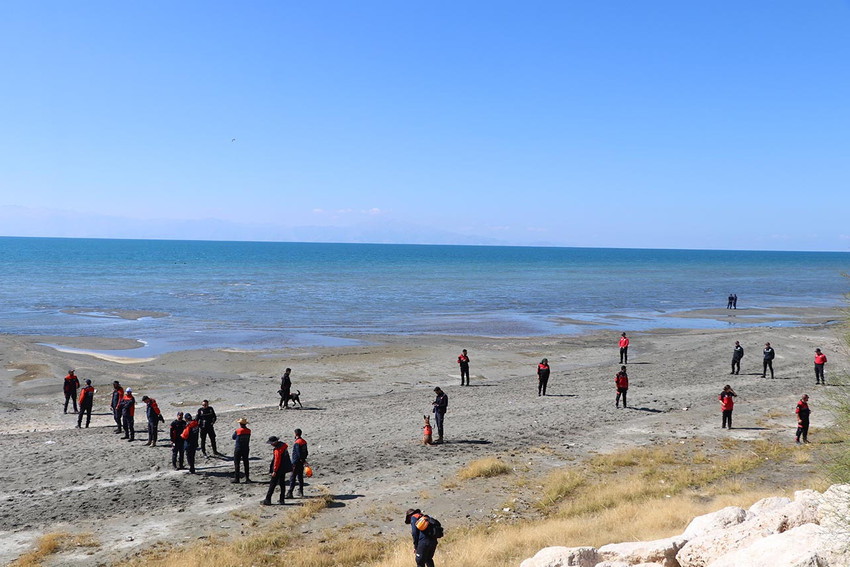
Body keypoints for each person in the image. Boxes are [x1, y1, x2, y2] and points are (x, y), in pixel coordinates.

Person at [262, 436, 292, 505]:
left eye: (271, 443)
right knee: (282, 484)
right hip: (284, 468)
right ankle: (282, 500)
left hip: (278, 469)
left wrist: (274, 471)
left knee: (272, 484)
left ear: (275, 442)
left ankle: (268, 500)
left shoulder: (278, 450)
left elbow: (277, 461)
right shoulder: (283, 446)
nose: (271, 445)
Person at [287, 429, 309, 498]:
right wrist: (304, 460)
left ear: (295, 434)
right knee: (300, 477)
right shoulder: (304, 441)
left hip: (296, 462)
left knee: (292, 478)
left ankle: (290, 493)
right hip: (301, 463)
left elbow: (298, 453)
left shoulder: (297, 442)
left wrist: (301, 460)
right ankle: (301, 492)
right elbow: (306, 452)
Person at [232, 417, 252, 483]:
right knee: (246, 463)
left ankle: (237, 479)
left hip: (238, 448)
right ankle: (247, 478)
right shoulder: (249, 430)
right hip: (246, 448)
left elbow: (233, 437)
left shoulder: (238, 431)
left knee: (237, 463)